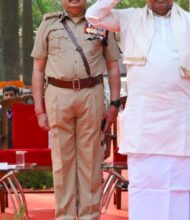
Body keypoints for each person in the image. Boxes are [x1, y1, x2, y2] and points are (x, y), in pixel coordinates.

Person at [86, 0, 190, 219]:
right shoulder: (129, 18)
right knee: (145, 186)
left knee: (182, 186)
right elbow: (93, 16)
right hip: (144, 120)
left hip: (180, 119)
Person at [31, 0, 121, 219]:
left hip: (91, 93)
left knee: (91, 160)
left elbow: (112, 66)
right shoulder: (49, 24)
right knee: (62, 161)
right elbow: (38, 69)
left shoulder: (99, 22)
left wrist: (115, 104)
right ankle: (65, 216)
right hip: (58, 95)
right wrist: (39, 109)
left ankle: (90, 216)